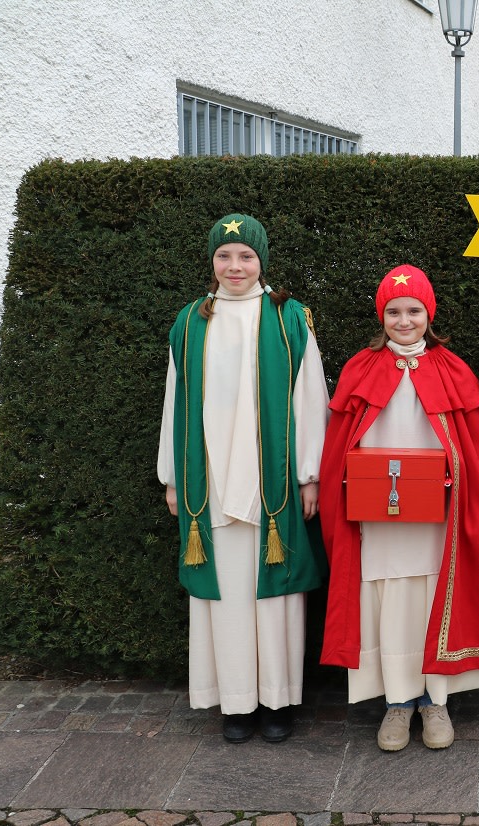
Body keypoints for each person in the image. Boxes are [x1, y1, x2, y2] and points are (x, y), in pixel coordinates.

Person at [320, 265, 479, 752]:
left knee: (432, 598)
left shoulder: (452, 369)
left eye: (414, 311)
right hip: (377, 518)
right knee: (387, 599)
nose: (404, 321)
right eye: (393, 311)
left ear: (430, 313)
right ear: (381, 315)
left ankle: (435, 701)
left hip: (436, 519)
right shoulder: (360, 369)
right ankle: (397, 703)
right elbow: (339, 445)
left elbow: (474, 452)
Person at [158, 213, 329, 744]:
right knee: (227, 595)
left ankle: (277, 701)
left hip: (270, 483)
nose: (235, 266)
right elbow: (174, 402)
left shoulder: (288, 319)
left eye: (246, 256)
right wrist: (171, 477)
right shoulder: (190, 321)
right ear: (212, 261)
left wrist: (310, 476)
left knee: (272, 598)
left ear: (262, 261)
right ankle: (234, 704)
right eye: (225, 256)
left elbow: (311, 398)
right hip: (208, 482)